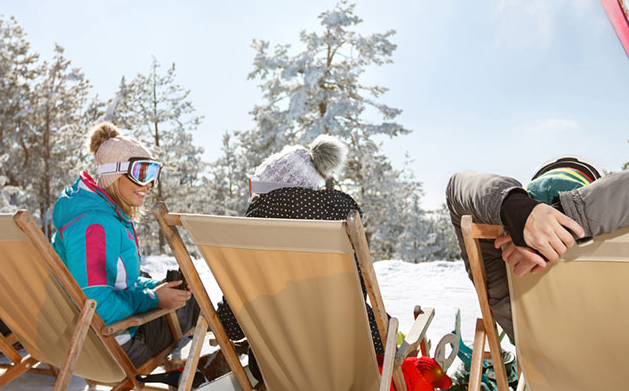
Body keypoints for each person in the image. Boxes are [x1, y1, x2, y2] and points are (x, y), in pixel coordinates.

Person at [215, 135, 386, 376]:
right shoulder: (340, 225)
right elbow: (358, 291)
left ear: (267, 191)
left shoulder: (257, 231)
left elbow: (234, 319)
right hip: (352, 358)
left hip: (280, 367)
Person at [446, 156, 629, 340]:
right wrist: (575, 216)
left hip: (541, 364)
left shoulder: (508, 293)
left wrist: (517, 210)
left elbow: (457, 187)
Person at [51, 122, 197, 369]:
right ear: (114, 173)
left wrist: (156, 288)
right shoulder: (95, 224)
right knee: (195, 303)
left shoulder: (97, 214)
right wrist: (154, 299)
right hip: (116, 348)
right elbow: (96, 307)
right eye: (142, 172)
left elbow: (116, 282)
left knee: (168, 285)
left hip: (94, 342)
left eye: (153, 173)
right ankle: (204, 375)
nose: (149, 184)